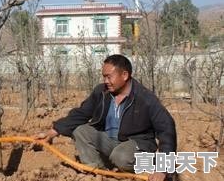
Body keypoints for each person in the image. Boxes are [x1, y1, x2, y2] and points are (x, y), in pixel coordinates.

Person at [36, 54, 176, 181]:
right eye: (104, 77)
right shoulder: (102, 92)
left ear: (125, 75)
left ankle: (144, 168)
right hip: (110, 141)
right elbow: (82, 113)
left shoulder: (145, 98)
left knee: (120, 156)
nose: (106, 81)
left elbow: (167, 130)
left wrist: (162, 169)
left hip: (137, 145)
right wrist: (53, 131)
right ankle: (99, 173)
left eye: (109, 76)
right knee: (80, 131)